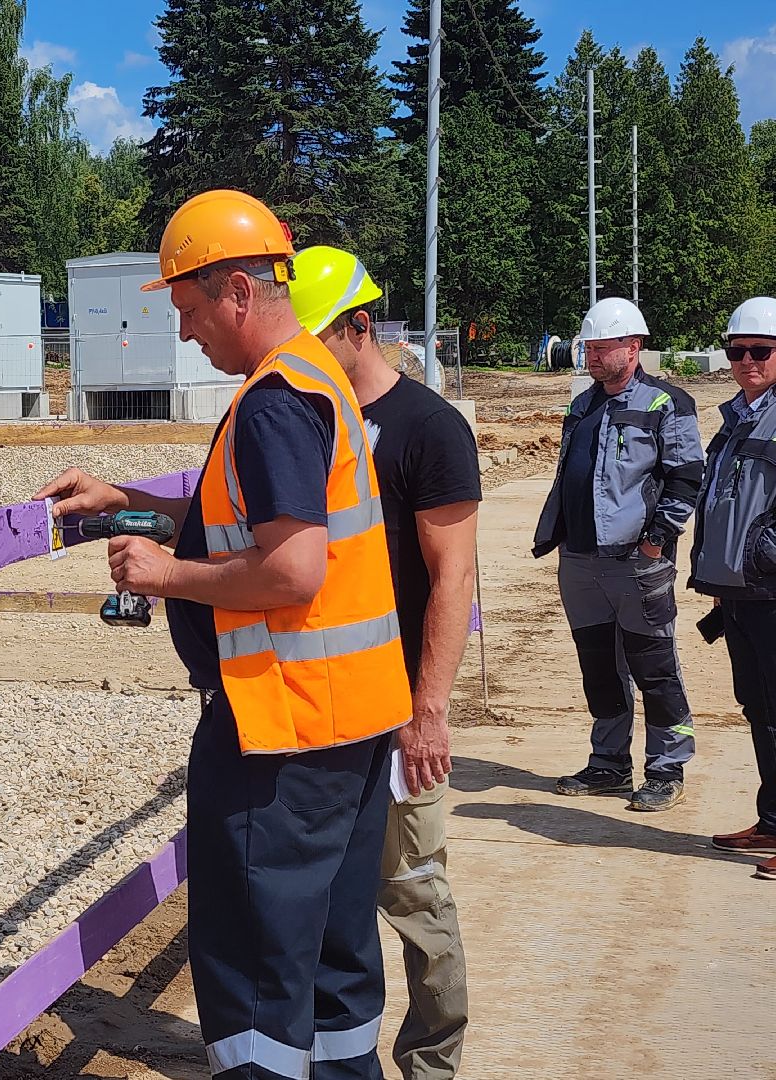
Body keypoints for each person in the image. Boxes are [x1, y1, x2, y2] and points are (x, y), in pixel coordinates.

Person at [37, 190, 412, 1079]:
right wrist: (128, 498)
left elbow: (291, 572)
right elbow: (245, 518)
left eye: (192, 309)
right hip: (352, 723)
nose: (189, 332)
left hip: (279, 732)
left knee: (253, 977)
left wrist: (163, 575)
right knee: (332, 964)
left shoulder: (273, 405)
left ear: (239, 290)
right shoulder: (315, 381)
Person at [289, 246, 478, 1080]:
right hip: (330, 701)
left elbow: (452, 578)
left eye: (316, 337)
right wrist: (132, 498)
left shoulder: (428, 429)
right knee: (330, 895)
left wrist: (427, 711)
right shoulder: (310, 418)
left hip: (399, 703)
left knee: (412, 891)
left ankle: (432, 1061)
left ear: (360, 327)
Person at [531, 297, 705, 811]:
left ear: (634, 347)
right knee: (599, 667)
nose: (591, 357)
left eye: (602, 349)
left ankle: (667, 766)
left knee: (654, 665)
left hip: (636, 562)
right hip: (581, 560)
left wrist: (655, 541)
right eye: (589, 348)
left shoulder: (666, 403)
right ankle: (608, 764)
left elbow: (686, 478)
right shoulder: (582, 404)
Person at [690, 296, 776, 879]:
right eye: (737, 350)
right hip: (742, 592)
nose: (747, 361)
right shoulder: (737, 417)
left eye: (761, 351)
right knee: (760, 710)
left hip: (772, 589)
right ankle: (771, 819)